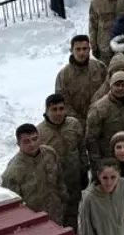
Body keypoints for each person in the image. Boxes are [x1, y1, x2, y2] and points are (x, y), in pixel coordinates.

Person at [36, 94, 88, 225]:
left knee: (72, 218)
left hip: (73, 182)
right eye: (54, 109)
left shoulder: (74, 124)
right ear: (46, 111)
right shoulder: (39, 132)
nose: (58, 113)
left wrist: (83, 170)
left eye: (61, 108)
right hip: (54, 187)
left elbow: (82, 148)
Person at [2, 122, 68, 223]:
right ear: (18, 143)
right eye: (26, 141)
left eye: (35, 139)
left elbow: (60, 180)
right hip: (34, 223)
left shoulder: (50, 153)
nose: (32, 144)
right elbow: (13, 208)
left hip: (57, 216)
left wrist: (64, 202)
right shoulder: (13, 172)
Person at [85, 71, 124, 169]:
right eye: (117, 85)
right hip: (109, 161)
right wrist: (97, 165)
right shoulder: (99, 108)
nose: (120, 88)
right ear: (111, 86)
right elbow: (91, 139)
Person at [55, 34, 109, 122]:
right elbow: (63, 103)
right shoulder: (63, 75)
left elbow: (109, 93)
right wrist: (79, 121)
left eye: (84, 49)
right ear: (71, 51)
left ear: (89, 49)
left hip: (100, 119)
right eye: (78, 49)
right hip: (75, 123)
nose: (81, 53)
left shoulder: (100, 68)